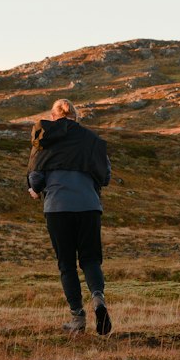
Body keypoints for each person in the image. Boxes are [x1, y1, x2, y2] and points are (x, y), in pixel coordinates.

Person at [27, 99, 113, 334]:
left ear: (53, 117)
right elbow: (105, 176)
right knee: (91, 260)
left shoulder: (44, 138)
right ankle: (98, 297)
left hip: (58, 207)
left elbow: (36, 177)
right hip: (89, 205)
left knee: (67, 265)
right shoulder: (91, 140)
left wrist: (35, 189)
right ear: (76, 117)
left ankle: (78, 318)